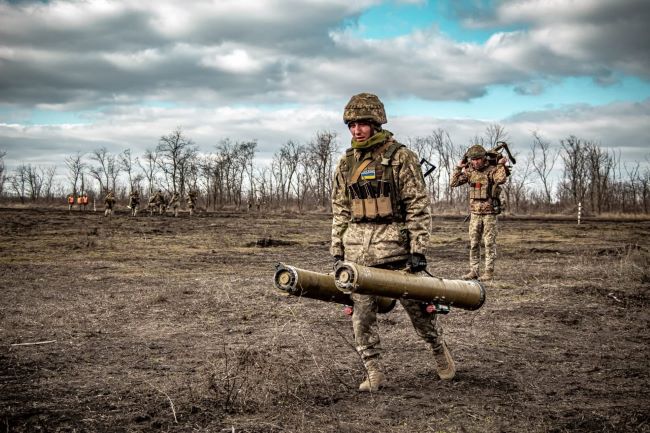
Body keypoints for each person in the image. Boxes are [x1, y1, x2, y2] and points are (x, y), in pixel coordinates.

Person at [331, 92, 455, 392]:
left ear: (376, 123)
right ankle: (372, 370)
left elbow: (417, 204)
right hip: (358, 254)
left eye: (362, 123)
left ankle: (438, 349)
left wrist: (418, 249)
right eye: (351, 125)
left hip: (396, 252)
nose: (356, 130)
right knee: (362, 317)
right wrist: (337, 249)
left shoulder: (401, 157)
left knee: (419, 312)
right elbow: (340, 209)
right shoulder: (346, 163)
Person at [450, 144, 509, 281]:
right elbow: (453, 183)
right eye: (473, 159)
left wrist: (500, 165)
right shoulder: (470, 172)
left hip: (489, 214)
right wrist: (459, 167)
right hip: (475, 213)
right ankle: (474, 271)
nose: (475, 162)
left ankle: (488, 272)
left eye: (478, 159)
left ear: (484, 159)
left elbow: (501, 179)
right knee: (474, 243)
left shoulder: (492, 170)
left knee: (489, 243)